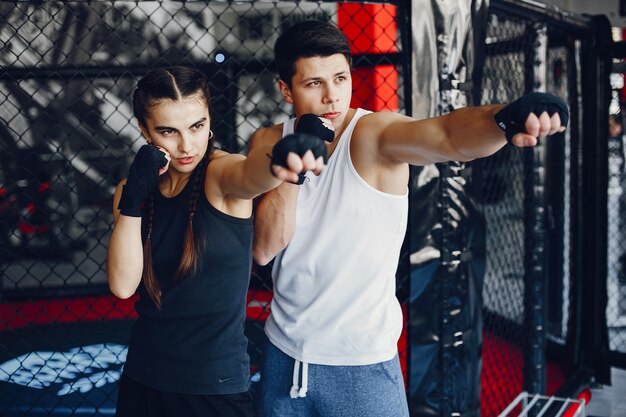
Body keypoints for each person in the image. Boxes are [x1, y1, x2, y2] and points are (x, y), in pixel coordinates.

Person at [250, 20, 569, 417]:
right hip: (284, 356)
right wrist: (292, 160)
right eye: (314, 84)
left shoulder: (373, 135)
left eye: (340, 78)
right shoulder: (267, 141)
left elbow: (447, 135)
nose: (332, 96)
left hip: (361, 366)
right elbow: (264, 248)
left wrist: (504, 118)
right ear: (286, 90)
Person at [106, 66, 327, 417]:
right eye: (168, 131)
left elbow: (251, 171)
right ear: (143, 130)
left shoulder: (220, 175)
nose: (186, 145)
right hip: (144, 379)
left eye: (197, 126)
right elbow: (122, 285)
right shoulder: (132, 189)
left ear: (209, 119)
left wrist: (285, 156)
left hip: (214, 388)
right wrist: (132, 198)